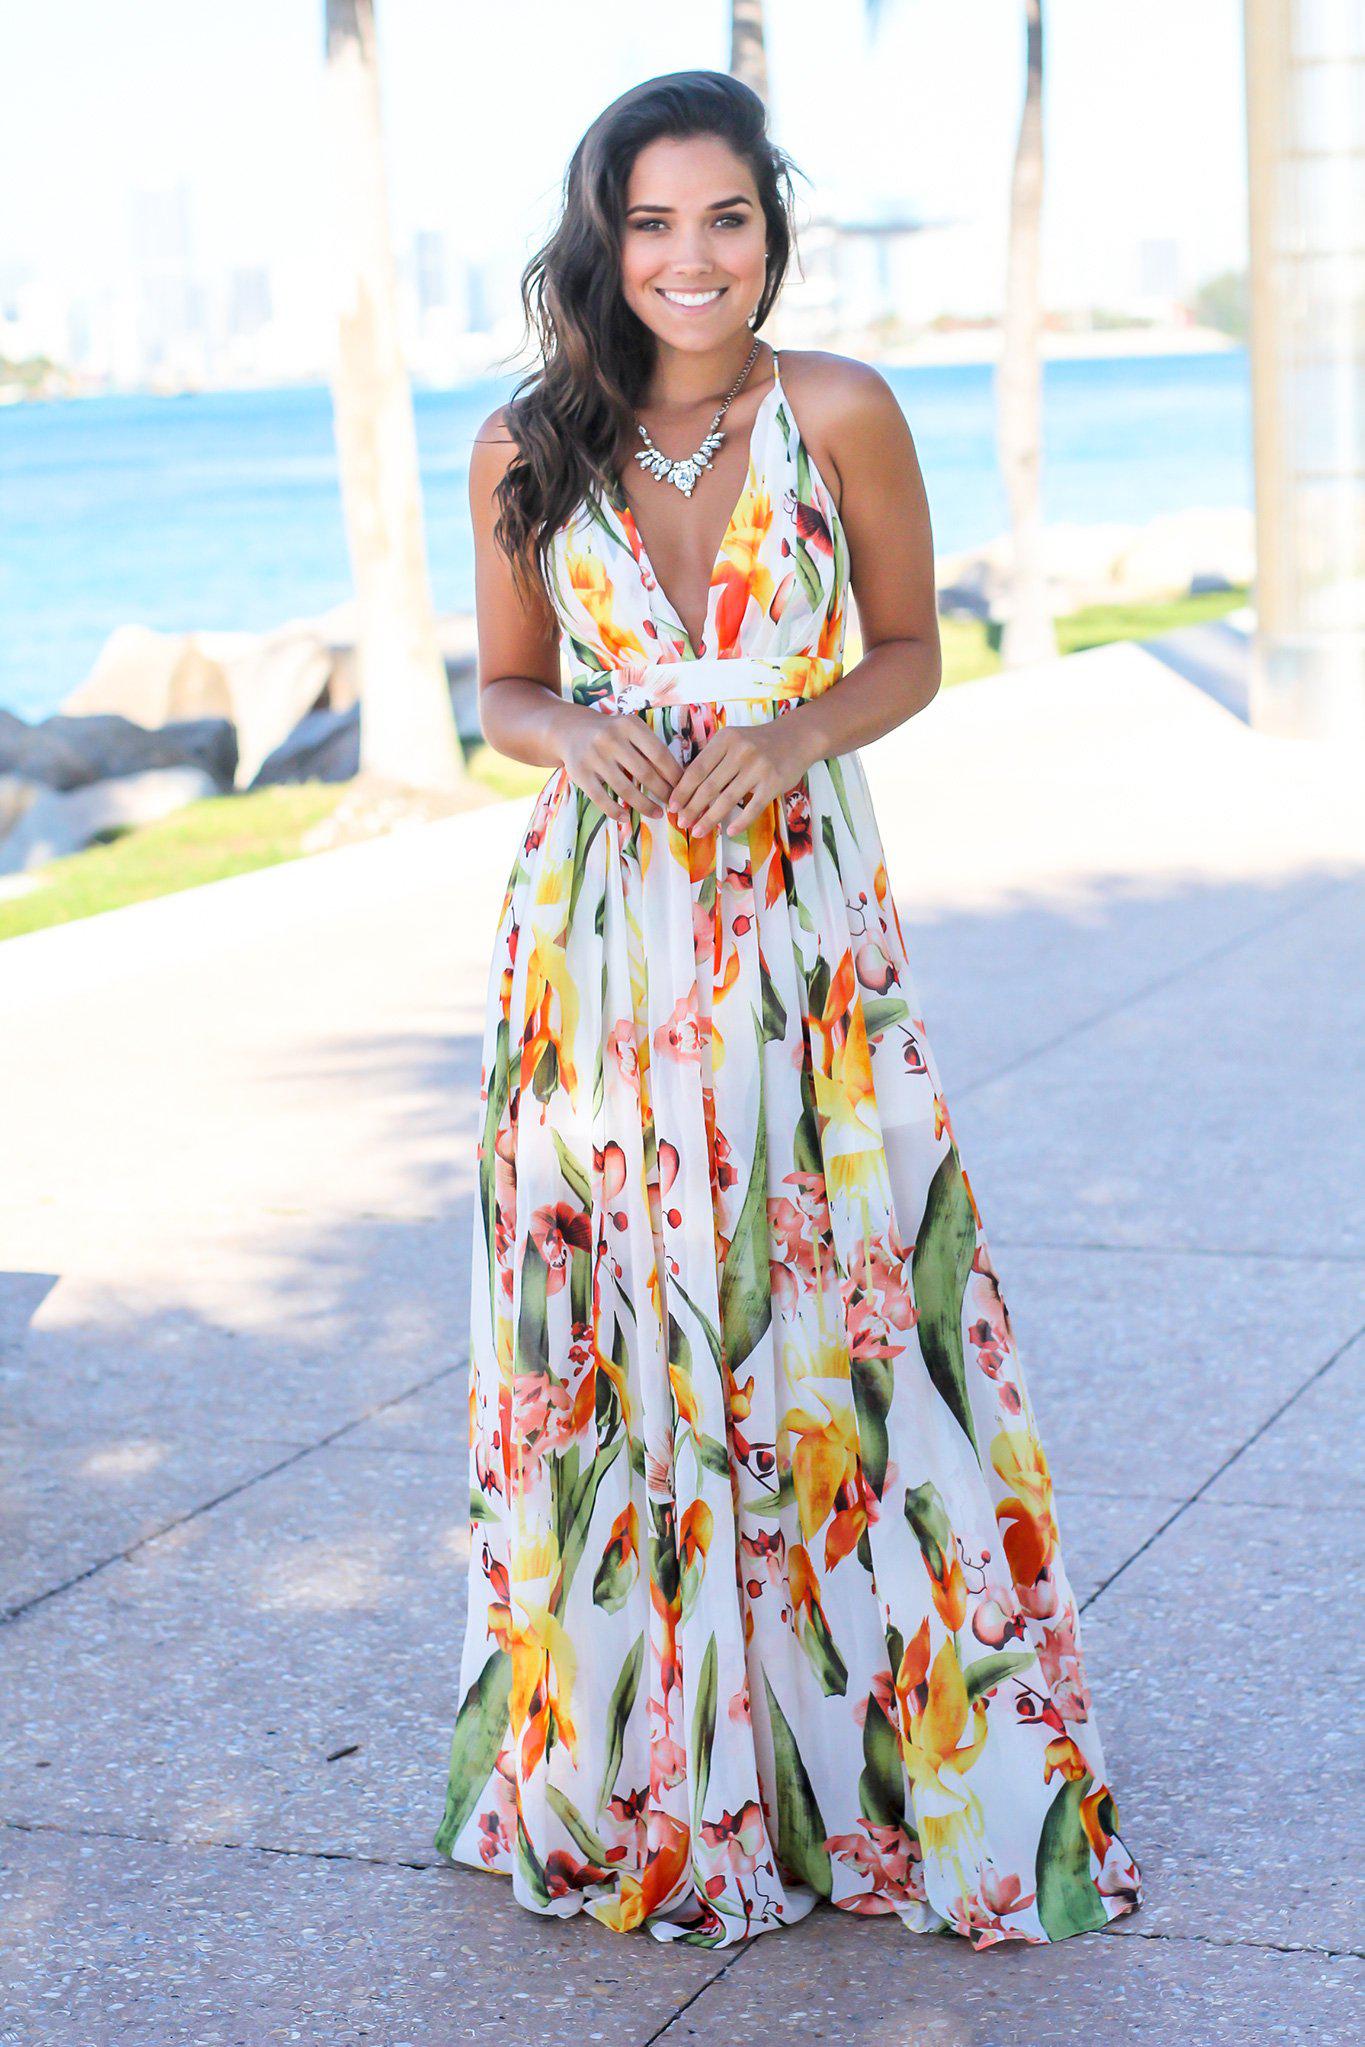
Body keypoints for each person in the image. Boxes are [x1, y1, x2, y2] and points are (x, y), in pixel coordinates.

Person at [433, 69, 1143, 1952]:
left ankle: (871, 1760)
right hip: (598, 939)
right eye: (651, 223)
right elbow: (500, 692)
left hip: (801, 931)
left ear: (771, 228)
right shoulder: (522, 446)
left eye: (724, 218)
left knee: (836, 1305)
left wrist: (791, 729)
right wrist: (573, 729)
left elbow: (908, 646)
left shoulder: (840, 410)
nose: (690, 257)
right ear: (603, 241)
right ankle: (660, 1749)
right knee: (624, 1331)